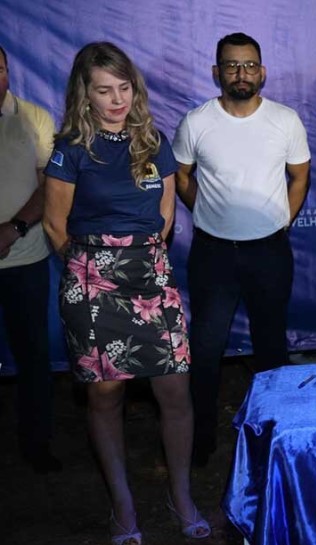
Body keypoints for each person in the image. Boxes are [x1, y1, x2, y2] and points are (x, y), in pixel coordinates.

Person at [43, 42, 209, 544]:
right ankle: (123, 507)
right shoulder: (71, 148)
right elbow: (54, 224)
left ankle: (181, 496)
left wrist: (142, 259)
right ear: (85, 94)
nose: (117, 100)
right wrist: (90, 269)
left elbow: (165, 216)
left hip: (151, 277)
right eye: (104, 90)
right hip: (93, 280)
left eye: (124, 88)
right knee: (105, 396)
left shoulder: (154, 142)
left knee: (175, 390)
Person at [173, 32, 310, 466]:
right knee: (206, 349)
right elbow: (181, 176)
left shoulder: (285, 120)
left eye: (249, 65)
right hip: (213, 254)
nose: (241, 73)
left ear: (262, 72)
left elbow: (300, 176)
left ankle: (275, 435)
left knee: (271, 348)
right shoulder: (196, 122)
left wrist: (282, 221)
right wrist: (207, 212)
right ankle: (201, 440)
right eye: (232, 65)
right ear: (217, 72)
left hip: (269, 252)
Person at [0, 45, 61, 473]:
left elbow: (49, 187)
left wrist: (13, 229)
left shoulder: (35, 118)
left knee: (33, 356)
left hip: (25, 259)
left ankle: (37, 443)